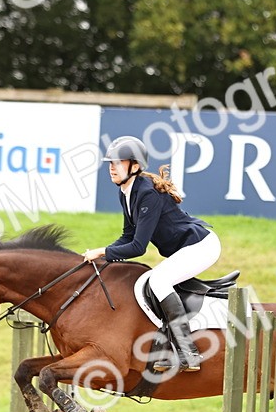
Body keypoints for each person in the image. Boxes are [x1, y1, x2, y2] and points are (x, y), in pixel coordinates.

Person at [83, 135, 222, 373]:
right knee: (156, 281)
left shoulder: (147, 193)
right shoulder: (126, 192)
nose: (112, 168)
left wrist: (103, 251)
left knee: (158, 280)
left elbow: (138, 247)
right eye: (110, 163)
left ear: (134, 166)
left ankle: (188, 352)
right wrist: (104, 256)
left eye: (118, 163)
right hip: (186, 248)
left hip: (201, 246)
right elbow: (127, 236)